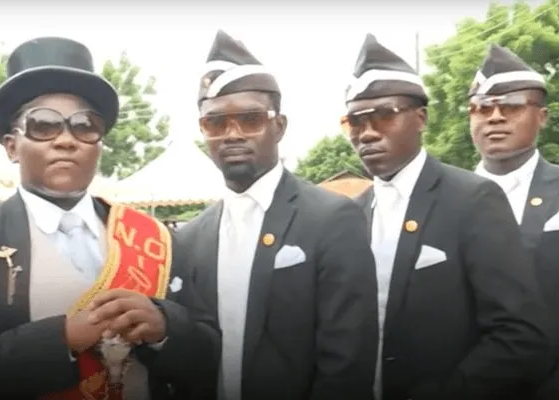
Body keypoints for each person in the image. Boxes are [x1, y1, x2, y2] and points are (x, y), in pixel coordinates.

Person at [0, 37, 219, 400]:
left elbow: (209, 353)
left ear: (99, 144)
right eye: (43, 124)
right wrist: (61, 340)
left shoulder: (155, 239)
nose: (67, 140)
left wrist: (165, 328)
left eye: (84, 125)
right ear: (12, 146)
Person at [344, 34, 552, 400]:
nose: (368, 133)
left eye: (384, 116)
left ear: (421, 118)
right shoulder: (351, 214)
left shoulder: (473, 199)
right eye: (354, 122)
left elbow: (518, 333)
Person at [176, 30, 379, 400]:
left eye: (250, 119)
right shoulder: (190, 237)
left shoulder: (332, 219)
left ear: (279, 126)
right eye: (215, 122)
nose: (232, 134)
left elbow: (347, 362)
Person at [469, 44, 559, 399]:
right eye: (482, 107)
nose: (494, 117)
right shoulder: (441, 201)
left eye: (511, 106)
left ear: (542, 116)